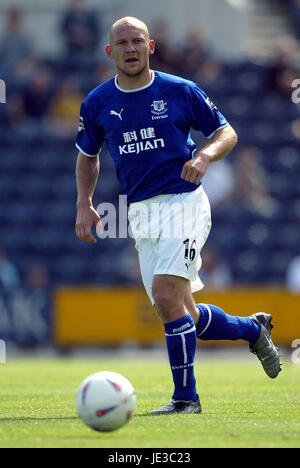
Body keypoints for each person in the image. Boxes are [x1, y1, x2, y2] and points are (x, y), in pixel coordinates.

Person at [75, 17, 282, 415]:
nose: (131, 48)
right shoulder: (97, 102)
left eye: (138, 41)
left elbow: (227, 132)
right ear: (110, 51)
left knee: (167, 296)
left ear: (151, 46)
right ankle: (253, 329)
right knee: (181, 312)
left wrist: (204, 155)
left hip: (184, 202)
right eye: (123, 43)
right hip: (141, 212)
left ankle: (186, 400)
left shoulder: (179, 90)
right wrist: (84, 203)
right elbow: (87, 157)